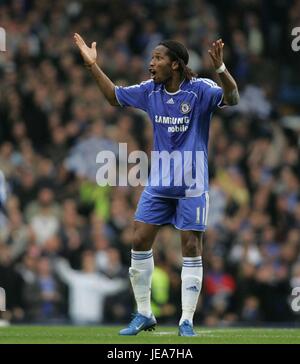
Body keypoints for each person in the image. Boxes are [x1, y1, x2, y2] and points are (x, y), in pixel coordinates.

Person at [74, 33, 239, 336]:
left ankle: (186, 319)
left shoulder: (200, 90)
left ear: (175, 64)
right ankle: (144, 313)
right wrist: (92, 66)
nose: (151, 64)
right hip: (160, 181)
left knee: (190, 246)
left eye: (158, 59)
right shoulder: (150, 92)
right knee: (138, 239)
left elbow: (233, 98)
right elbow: (114, 96)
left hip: (192, 181)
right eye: (151, 58)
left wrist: (220, 69)